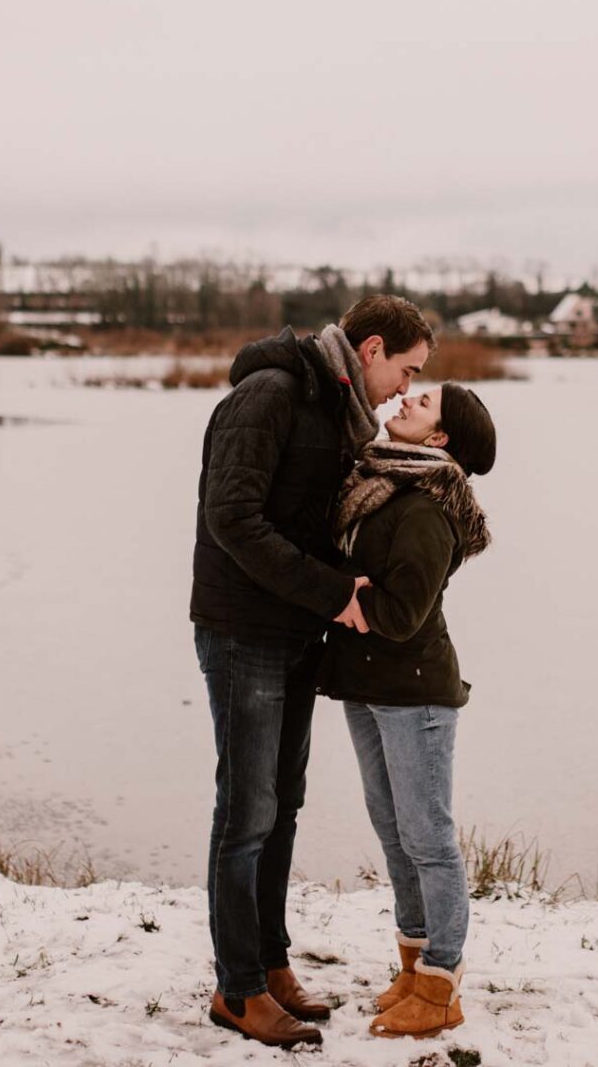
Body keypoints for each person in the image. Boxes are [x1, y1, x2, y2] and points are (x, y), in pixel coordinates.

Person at [190, 295, 435, 1048]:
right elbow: (231, 517)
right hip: (242, 631)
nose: (403, 386)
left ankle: (269, 963)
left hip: (294, 630)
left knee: (282, 804)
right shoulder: (269, 393)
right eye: (406, 368)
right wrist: (334, 593)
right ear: (368, 349)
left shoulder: (336, 409)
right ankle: (236, 989)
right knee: (246, 813)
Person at [319, 381, 497, 1039]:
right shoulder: (382, 481)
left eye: (423, 403)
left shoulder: (425, 507)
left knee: (427, 836)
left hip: (414, 690)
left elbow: (399, 614)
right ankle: (413, 966)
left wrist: (341, 597)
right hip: (369, 684)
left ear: (442, 438)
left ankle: (442, 985)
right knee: (394, 831)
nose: (405, 400)